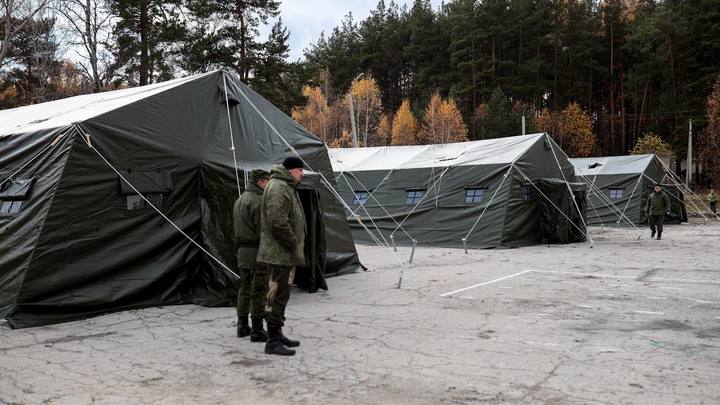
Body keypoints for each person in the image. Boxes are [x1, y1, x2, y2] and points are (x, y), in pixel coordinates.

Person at [257, 156, 306, 356]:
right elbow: (277, 221)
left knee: (281, 294)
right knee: (276, 295)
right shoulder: (279, 187)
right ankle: (273, 341)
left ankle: (277, 334)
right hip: (280, 253)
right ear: (291, 170)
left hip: (284, 254)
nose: (302, 174)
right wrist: (293, 243)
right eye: (300, 170)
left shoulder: (286, 186)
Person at [234, 169, 270, 342]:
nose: (269, 185)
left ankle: (242, 325)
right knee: (259, 290)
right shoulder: (259, 201)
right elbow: (263, 230)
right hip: (257, 252)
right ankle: (257, 329)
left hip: (242, 252)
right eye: (267, 181)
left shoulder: (240, 200)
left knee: (244, 289)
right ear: (260, 182)